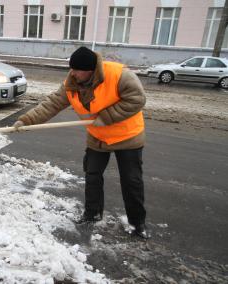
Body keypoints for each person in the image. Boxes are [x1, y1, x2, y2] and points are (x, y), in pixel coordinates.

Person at [12, 46, 149, 239]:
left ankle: (137, 224)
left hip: (127, 137)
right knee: (92, 175)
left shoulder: (119, 75)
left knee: (131, 181)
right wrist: (26, 120)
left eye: (77, 70)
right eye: (72, 69)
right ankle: (92, 214)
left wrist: (107, 117)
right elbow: (52, 104)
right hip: (97, 137)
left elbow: (137, 99)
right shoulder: (72, 83)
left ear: (91, 70)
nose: (73, 74)